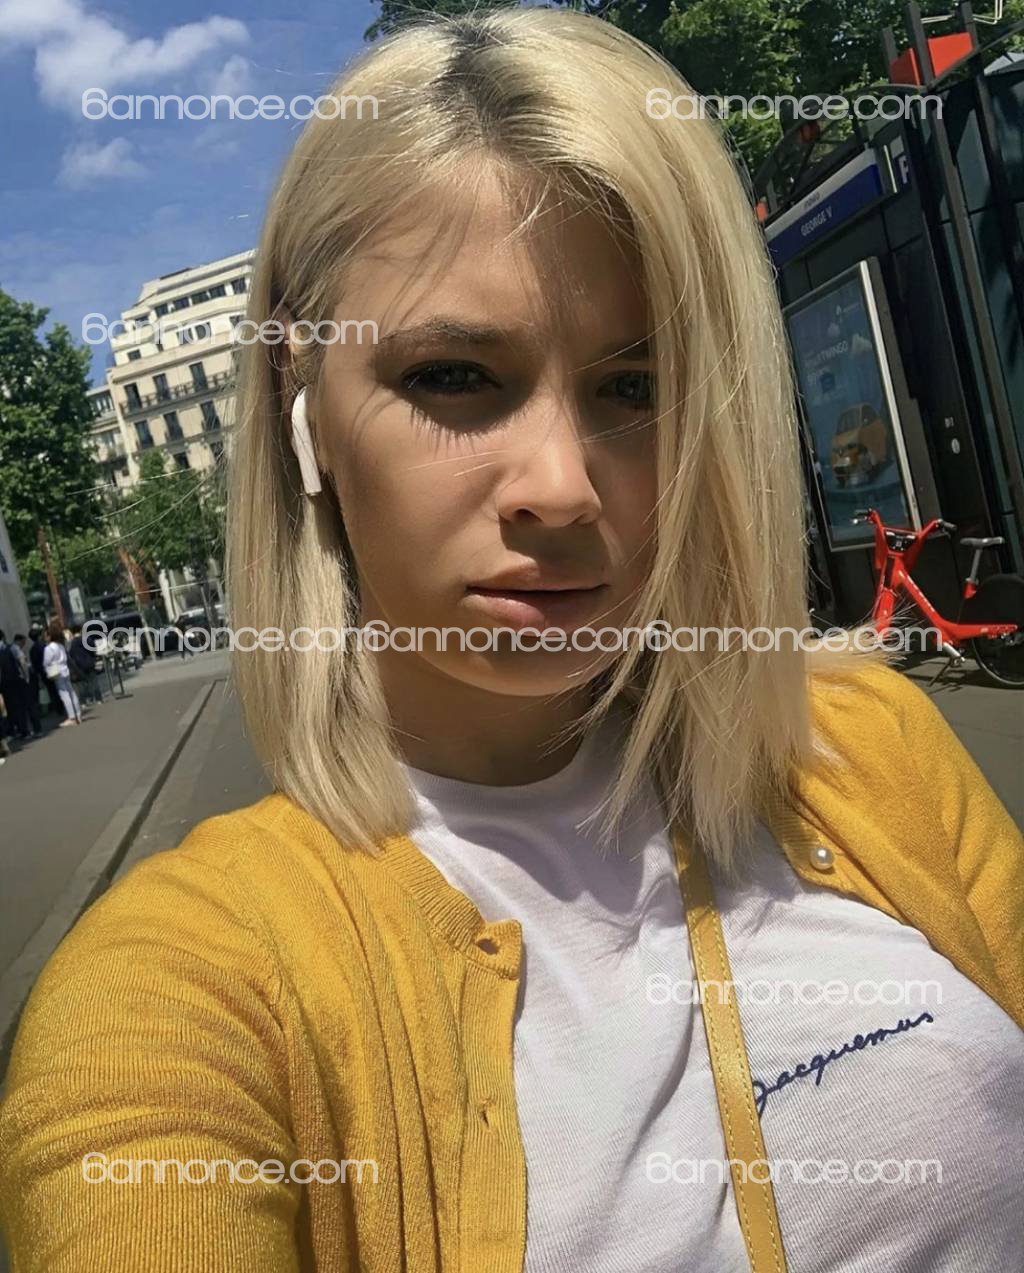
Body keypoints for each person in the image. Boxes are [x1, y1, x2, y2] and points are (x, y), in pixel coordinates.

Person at [0, 11, 1021, 1272]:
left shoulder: (870, 752)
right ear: (299, 409)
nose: (560, 487)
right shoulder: (183, 983)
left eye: (632, 386)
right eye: (454, 377)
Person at [40, 618, 82, 727]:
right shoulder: (61, 645)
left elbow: (46, 662)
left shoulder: (49, 648)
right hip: (65, 669)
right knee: (71, 692)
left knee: (64, 695)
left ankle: (72, 717)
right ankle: (78, 714)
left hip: (56, 671)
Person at [13, 633, 43, 736]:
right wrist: (27, 677)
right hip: (23, 681)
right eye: (23, 642)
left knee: (22, 706)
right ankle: (37, 729)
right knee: (31, 705)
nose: (24, 644)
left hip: (16, 682)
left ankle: (26, 730)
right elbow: (23, 663)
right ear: (19, 640)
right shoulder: (16, 649)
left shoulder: (11, 649)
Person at [68, 623, 104, 704]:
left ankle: (83, 701)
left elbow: (71, 654)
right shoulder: (86, 639)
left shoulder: (72, 643)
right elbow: (93, 647)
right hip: (89, 662)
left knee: (81, 684)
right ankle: (98, 699)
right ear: (80, 630)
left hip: (79, 665)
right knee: (94, 681)